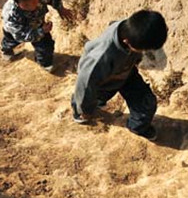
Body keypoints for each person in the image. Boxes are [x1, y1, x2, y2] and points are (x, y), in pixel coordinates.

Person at [71, 10, 168, 141]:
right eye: (142, 49)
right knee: (90, 99)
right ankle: (80, 111)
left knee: (147, 103)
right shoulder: (100, 58)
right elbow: (85, 82)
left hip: (126, 71)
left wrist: (135, 59)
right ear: (127, 42)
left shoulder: (129, 27)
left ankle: (137, 127)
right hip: (103, 80)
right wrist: (84, 109)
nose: (144, 52)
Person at [1, 0, 75, 72]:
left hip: (37, 23)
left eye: (34, 1)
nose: (32, 6)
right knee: (10, 41)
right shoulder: (11, 16)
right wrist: (42, 31)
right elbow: (20, 36)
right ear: (17, 3)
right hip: (18, 31)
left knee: (46, 46)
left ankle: (45, 64)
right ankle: (6, 51)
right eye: (26, 5)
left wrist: (60, 8)